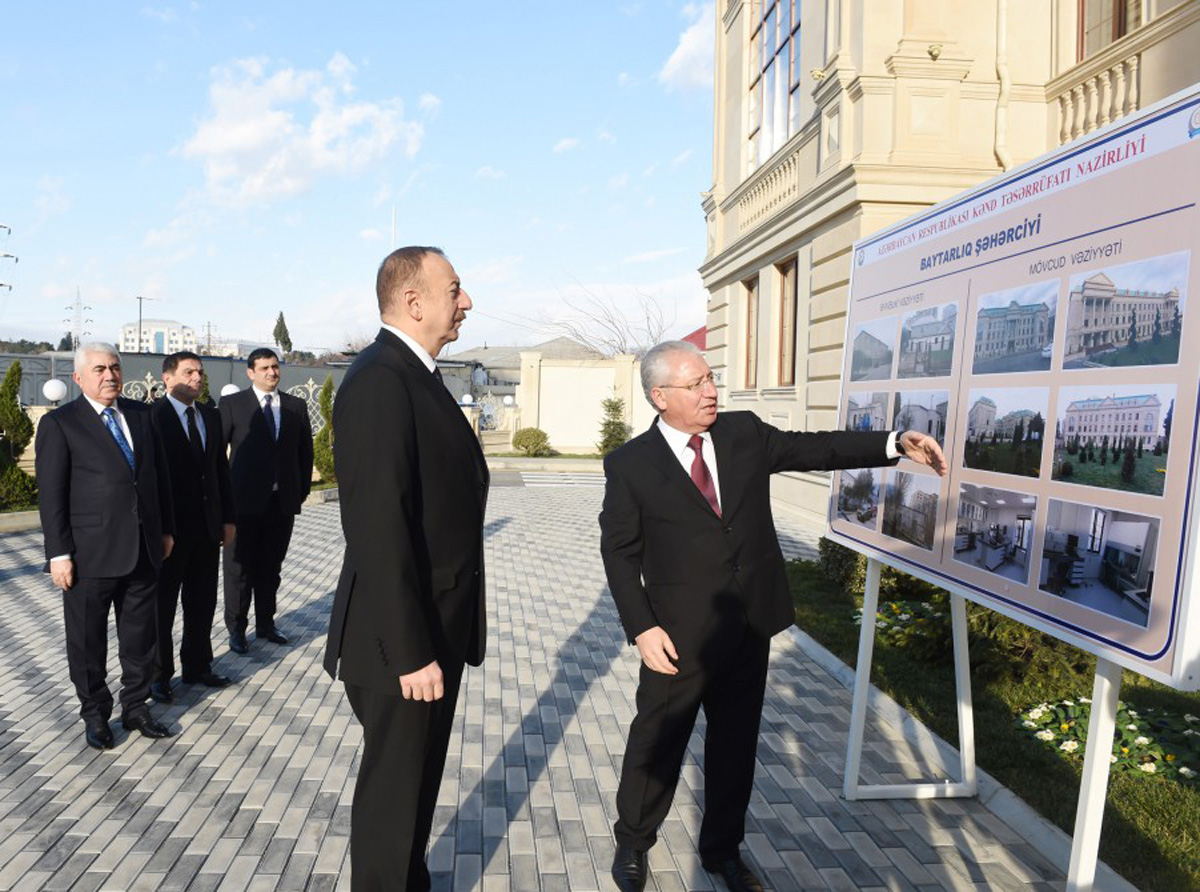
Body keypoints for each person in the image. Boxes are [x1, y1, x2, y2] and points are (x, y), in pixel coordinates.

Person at [600, 340, 947, 892]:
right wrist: (642, 627)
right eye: (696, 384)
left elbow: (818, 447)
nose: (711, 391)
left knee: (735, 745)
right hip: (677, 635)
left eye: (711, 378)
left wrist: (893, 444)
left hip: (748, 623)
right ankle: (634, 842)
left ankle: (723, 852)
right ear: (659, 396)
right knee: (657, 742)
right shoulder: (630, 465)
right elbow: (618, 552)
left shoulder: (743, 433)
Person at [324, 246, 488, 890]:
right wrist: (412, 651)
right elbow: (376, 528)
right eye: (455, 289)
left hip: (430, 631)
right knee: (394, 810)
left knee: (413, 801)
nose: (466, 302)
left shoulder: (415, 374)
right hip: (402, 644)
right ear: (413, 301)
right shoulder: (379, 381)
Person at [35, 343, 177, 749]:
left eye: (114, 367)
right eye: (99, 369)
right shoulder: (62, 423)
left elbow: (157, 477)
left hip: (143, 549)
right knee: (87, 642)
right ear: (79, 378)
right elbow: (52, 495)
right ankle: (95, 714)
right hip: (88, 555)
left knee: (140, 638)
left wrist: (165, 530)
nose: (109, 375)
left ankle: (136, 707)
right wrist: (58, 554)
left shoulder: (142, 414)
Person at [150, 351, 236, 703]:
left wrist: (228, 518)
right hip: (170, 532)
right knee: (162, 606)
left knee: (201, 602)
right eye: (189, 372)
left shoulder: (210, 417)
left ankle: (198, 665)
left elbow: (219, 471)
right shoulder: (152, 418)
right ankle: (158, 676)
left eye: (200, 372)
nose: (197, 378)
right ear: (167, 378)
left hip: (205, 528)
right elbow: (150, 479)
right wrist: (159, 529)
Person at [219, 347, 313, 654]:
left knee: (271, 567)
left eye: (275, 367)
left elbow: (304, 453)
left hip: (280, 504)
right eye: (264, 368)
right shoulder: (233, 405)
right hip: (243, 504)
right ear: (251, 373)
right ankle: (236, 629)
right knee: (239, 569)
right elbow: (218, 456)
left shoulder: (295, 406)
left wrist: (297, 493)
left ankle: (266, 624)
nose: (272, 372)